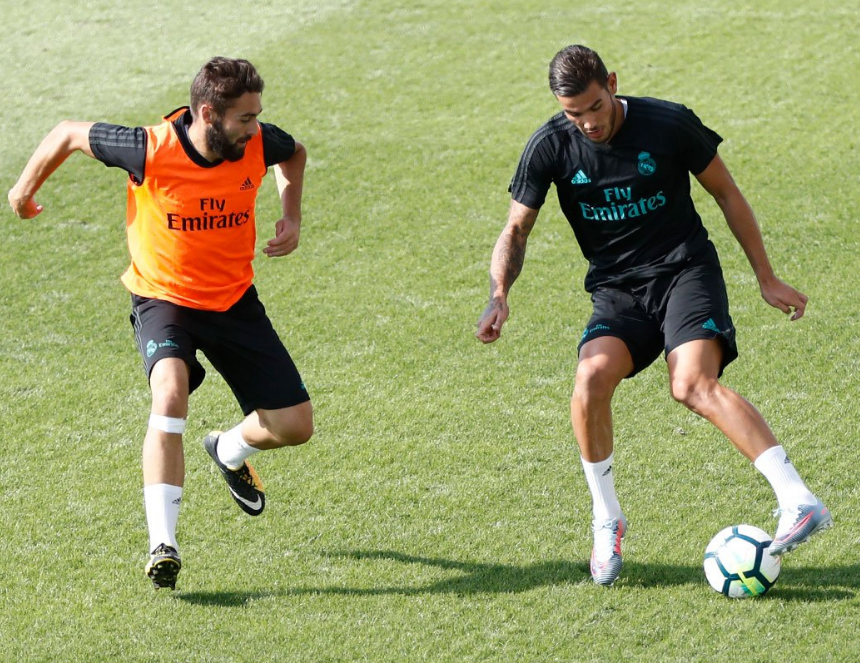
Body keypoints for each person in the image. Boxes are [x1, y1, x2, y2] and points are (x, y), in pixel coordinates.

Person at [476, 45, 832, 586]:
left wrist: (766, 276)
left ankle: (798, 500)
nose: (588, 123)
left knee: (690, 384)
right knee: (589, 378)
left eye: (595, 107)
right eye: (574, 114)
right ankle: (607, 520)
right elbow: (516, 229)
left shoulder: (668, 123)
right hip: (617, 290)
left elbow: (727, 194)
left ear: (612, 83)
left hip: (685, 272)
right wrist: (500, 292)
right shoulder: (550, 145)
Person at [8, 57, 314, 590]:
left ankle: (228, 449)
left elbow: (295, 156)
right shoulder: (148, 148)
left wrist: (292, 213)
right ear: (208, 113)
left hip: (234, 301)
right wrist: (22, 191)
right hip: (163, 299)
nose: (255, 126)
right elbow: (67, 133)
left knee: (294, 427)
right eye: (244, 117)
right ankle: (163, 542)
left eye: (257, 116)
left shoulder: (260, 142)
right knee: (170, 393)